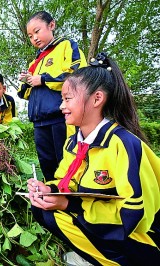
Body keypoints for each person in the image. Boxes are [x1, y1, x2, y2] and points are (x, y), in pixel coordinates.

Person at [26, 53, 160, 265]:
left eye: (67, 99)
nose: (61, 106)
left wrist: (71, 205)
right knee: (42, 208)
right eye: (62, 99)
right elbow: (64, 180)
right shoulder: (74, 141)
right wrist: (48, 190)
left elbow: (134, 215)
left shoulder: (123, 144)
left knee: (59, 211)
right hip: (100, 220)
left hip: (142, 233)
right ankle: (97, 256)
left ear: (97, 98)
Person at [17, 11, 87, 181]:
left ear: (51, 25)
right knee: (47, 165)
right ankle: (50, 201)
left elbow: (78, 74)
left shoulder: (66, 46)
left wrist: (43, 79)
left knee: (67, 162)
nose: (34, 38)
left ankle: (70, 203)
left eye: (37, 31)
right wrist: (27, 80)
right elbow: (22, 93)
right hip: (39, 121)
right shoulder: (34, 62)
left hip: (61, 117)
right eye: (30, 35)